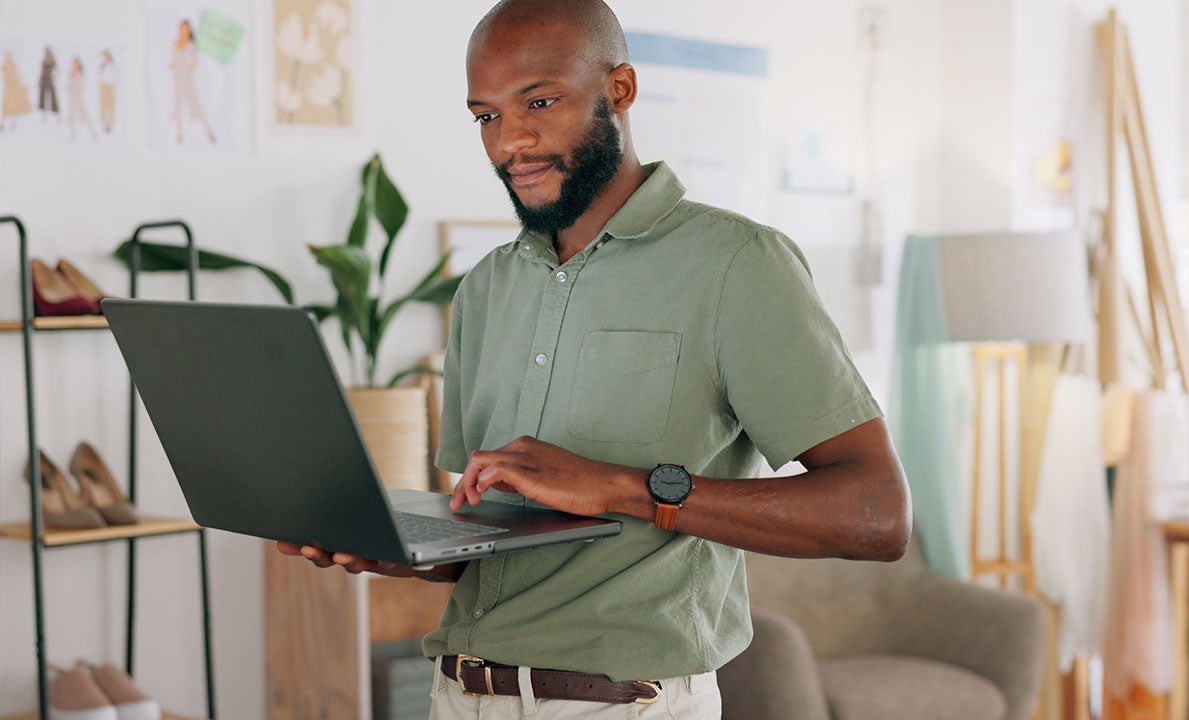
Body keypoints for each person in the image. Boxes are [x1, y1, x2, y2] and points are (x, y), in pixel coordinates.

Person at [278, 1, 911, 717]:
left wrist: (624, 487)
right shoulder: (486, 286)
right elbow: (492, 543)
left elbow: (877, 515)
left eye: (539, 101)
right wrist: (392, 548)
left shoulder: (739, 266)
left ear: (621, 89)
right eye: (485, 116)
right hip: (460, 695)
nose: (509, 141)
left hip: (621, 705)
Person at [170, 19, 216, 144]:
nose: (185, 31)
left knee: (197, 106)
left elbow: (195, 61)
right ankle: (179, 134)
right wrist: (173, 66)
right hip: (177, 79)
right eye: (183, 28)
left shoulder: (192, 45)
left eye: (187, 28)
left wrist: (189, 67)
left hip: (187, 79)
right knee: (178, 107)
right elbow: (173, 60)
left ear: (189, 30)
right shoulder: (175, 43)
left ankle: (209, 133)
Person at [64, 57, 97, 141]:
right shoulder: (70, 74)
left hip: (79, 99)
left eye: (77, 65)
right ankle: (72, 134)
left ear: (79, 66)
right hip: (71, 99)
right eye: (74, 64)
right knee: (70, 117)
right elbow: (67, 88)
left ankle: (93, 132)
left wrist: (74, 78)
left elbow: (81, 87)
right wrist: (70, 78)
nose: (75, 66)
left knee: (85, 116)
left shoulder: (81, 75)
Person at [1, 50, 34, 133]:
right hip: (7, 89)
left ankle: (13, 122)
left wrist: (23, 83)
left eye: (8, 57)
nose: (7, 58)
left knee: (14, 106)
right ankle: (2, 123)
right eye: (6, 57)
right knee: (5, 106)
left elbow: (18, 75)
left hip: (14, 88)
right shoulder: (3, 66)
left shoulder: (13, 66)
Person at [99, 50, 117, 134]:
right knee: (103, 106)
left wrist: (113, 87)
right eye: (103, 57)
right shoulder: (102, 66)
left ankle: (110, 124)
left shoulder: (112, 67)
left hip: (110, 87)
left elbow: (115, 78)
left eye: (105, 56)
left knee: (110, 106)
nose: (104, 58)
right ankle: (104, 124)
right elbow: (100, 77)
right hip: (103, 87)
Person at [38, 46, 57, 121]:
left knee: (52, 96)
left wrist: (52, 78)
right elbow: (42, 71)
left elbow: (56, 70)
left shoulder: (53, 60)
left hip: (50, 80)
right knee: (43, 97)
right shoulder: (44, 60)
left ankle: (54, 112)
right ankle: (43, 113)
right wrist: (40, 80)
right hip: (44, 80)